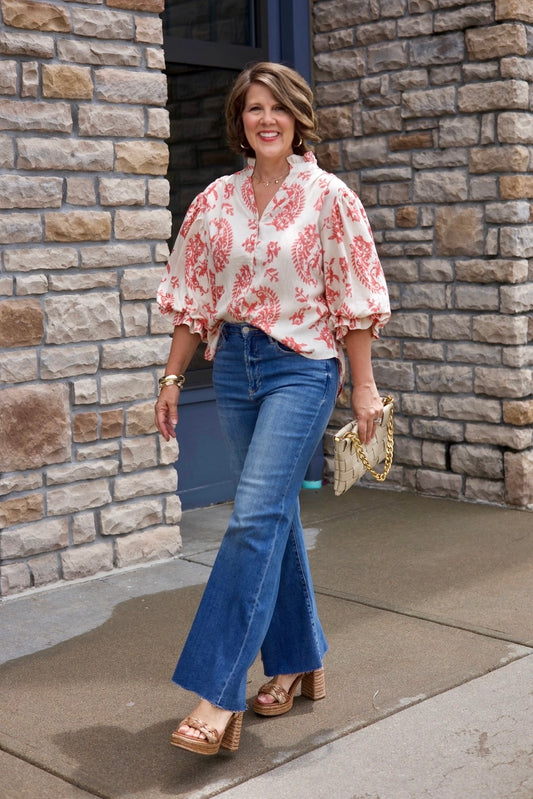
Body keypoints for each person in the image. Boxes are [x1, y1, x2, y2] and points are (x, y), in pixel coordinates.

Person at [154, 61, 390, 756]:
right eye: (254, 107)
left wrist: (363, 386)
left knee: (253, 517)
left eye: (278, 108)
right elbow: (192, 296)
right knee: (274, 516)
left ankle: (215, 693)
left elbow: (353, 298)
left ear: (298, 119)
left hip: (302, 368)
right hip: (234, 368)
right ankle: (298, 659)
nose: (266, 119)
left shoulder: (329, 198)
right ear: (240, 119)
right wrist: (171, 379)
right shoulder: (214, 201)